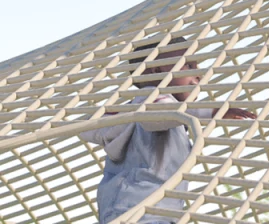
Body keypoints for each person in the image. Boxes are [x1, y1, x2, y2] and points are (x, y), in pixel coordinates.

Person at [83, 39, 255, 224]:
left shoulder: (135, 111)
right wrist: (212, 112)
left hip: (141, 207)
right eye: (189, 65)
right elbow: (159, 115)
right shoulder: (154, 100)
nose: (199, 75)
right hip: (142, 207)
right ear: (155, 69)